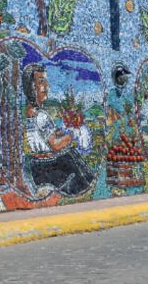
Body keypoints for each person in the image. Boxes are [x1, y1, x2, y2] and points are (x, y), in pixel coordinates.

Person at [21, 64, 94, 195]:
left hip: (37, 165)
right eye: (41, 82)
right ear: (31, 87)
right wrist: (73, 135)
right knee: (71, 157)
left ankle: (89, 185)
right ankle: (88, 189)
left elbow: (49, 134)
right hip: (47, 167)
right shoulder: (40, 116)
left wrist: (66, 129)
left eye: (45, 81)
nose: (46, 86)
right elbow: (55, 145)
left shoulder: (30, 112)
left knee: (72, 156)